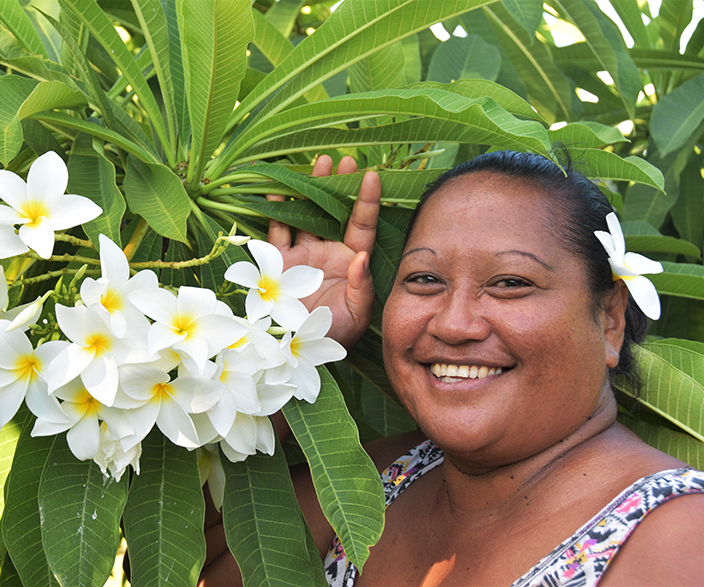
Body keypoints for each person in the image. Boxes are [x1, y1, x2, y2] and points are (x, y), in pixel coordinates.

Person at [200, 151, 704, 586]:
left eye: (510, 283)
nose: (455, 323)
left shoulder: (680, 536)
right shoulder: (374, 487)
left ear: (610, 319)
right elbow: (196, 562)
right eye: (423, 279)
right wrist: (295, 341)